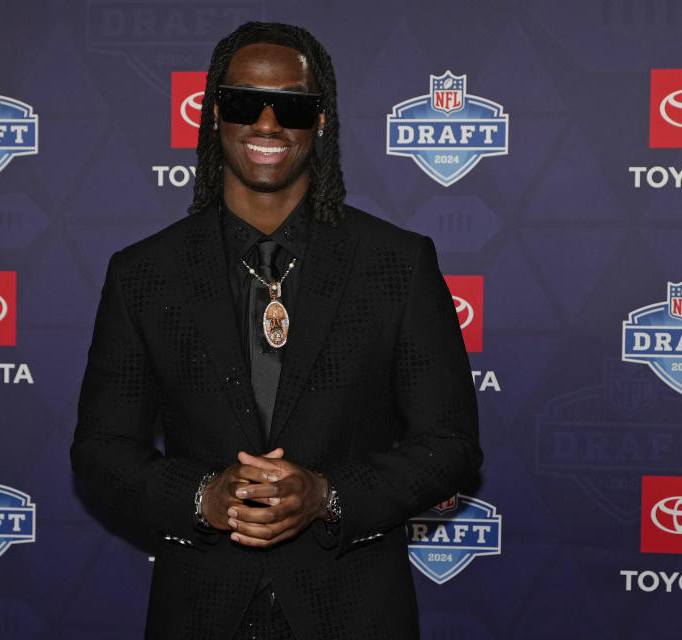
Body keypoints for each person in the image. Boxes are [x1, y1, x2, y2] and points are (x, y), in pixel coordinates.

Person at [71, 21, 481, 640]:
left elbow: (449, 445)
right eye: (244, 103)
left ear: (320, 122)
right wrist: (202, 496)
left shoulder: (397, 264)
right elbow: (101, 450)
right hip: (199, 609)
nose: (267, 125)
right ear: (215, 115)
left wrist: (328, 495)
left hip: (355, 609)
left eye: (291, 106)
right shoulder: (144, 274)